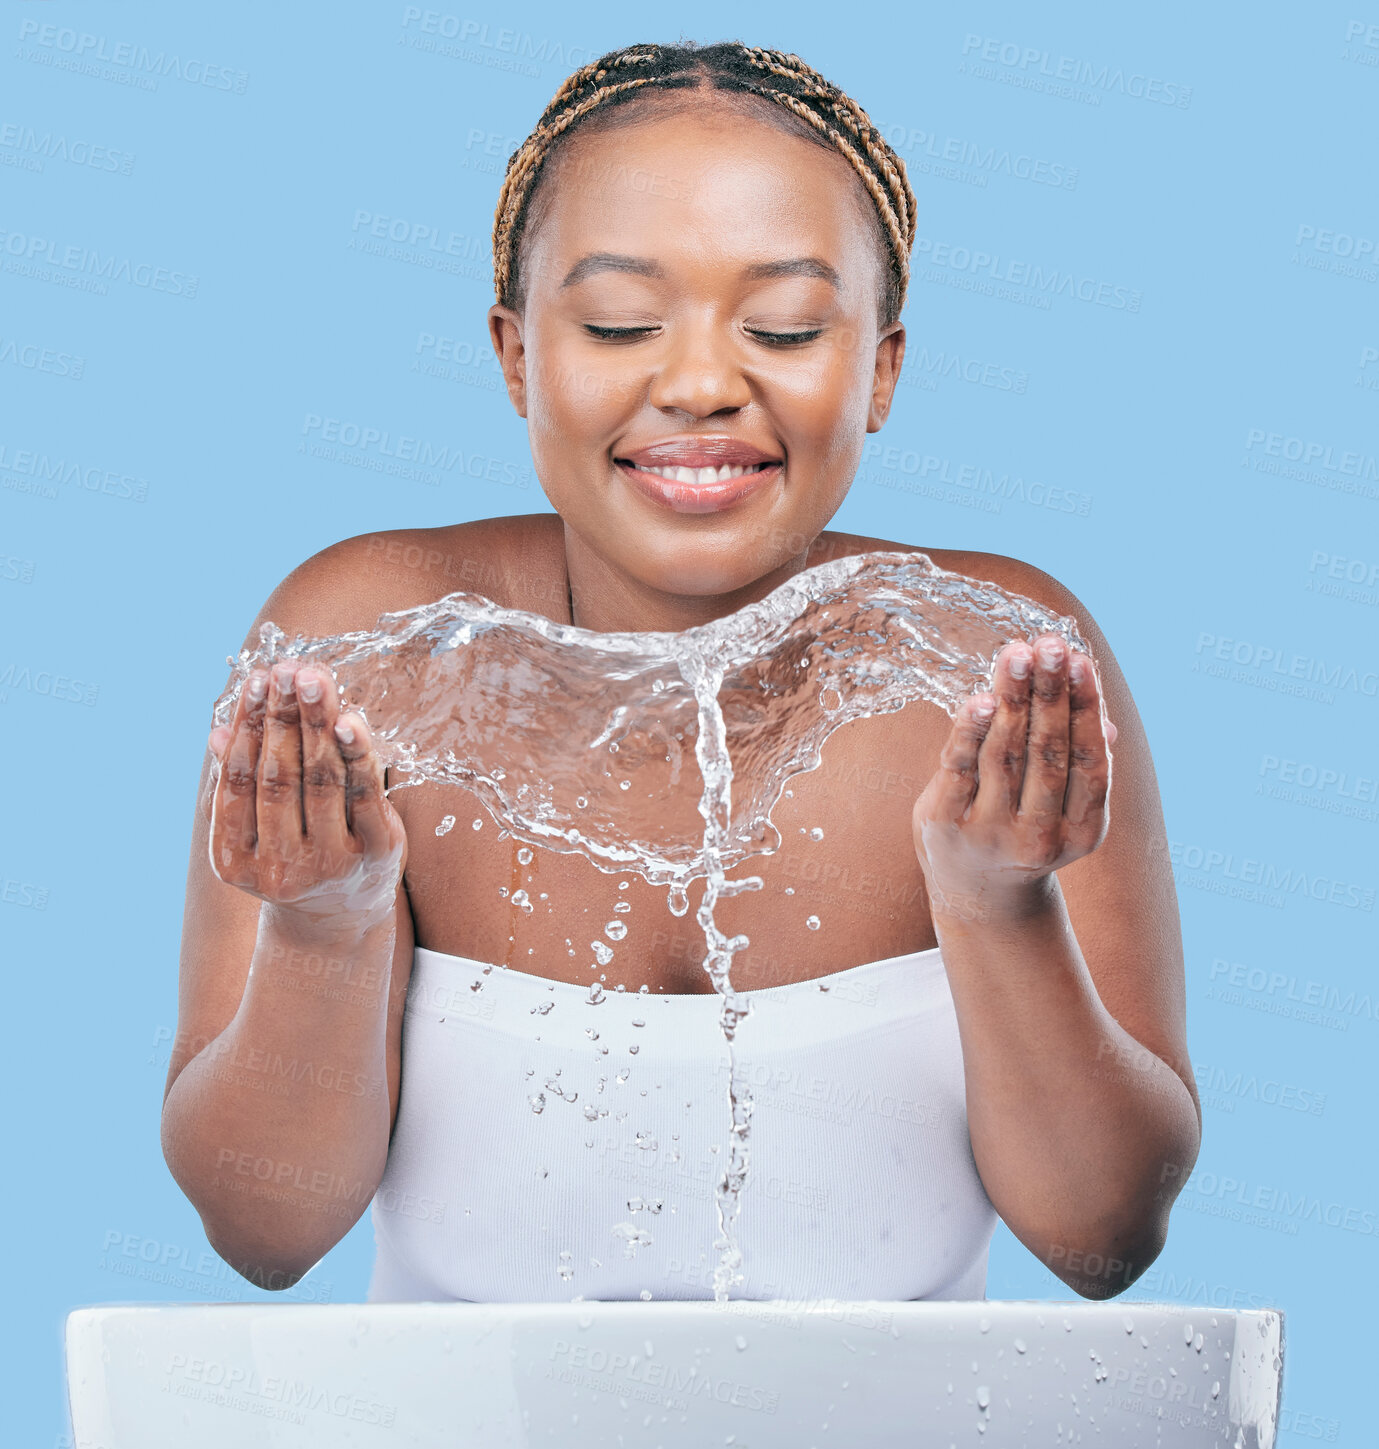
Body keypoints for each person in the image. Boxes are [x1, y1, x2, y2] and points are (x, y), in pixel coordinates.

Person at [161, 41, 1200, 1305]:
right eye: (616, 323)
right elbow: (262, 1233)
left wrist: (997, 906)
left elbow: (1103, 1238)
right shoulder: (371, 655)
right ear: (512, 356)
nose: (702, 385)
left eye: (782, 326)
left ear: (877, 366)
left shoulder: (988, 664)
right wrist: (321, 933)